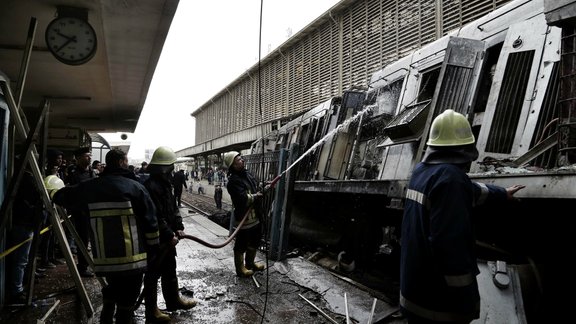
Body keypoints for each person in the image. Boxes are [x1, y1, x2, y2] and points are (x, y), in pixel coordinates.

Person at [399, 109, 525, 324]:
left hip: (413, 292)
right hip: (439, 304)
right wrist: (465, 297)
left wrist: (502, 193)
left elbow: (469, 189)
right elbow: (450, 246)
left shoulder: (422, 172)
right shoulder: (451, 180)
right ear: (464, 150)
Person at [50, 149, 160, 324]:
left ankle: (106, 316)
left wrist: (52, 189)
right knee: (127, 300)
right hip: (133, 259)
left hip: (105, 260)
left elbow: (63, 196)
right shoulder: (136, 188)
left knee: (113, 288)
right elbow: (151, 223)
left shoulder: (91, 186)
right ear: (123, 163)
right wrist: (154, 251)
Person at [143, 146, 196, 323]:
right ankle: (152, 311)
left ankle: (173, 301)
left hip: (167, 237)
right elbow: (156, 215)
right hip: (156, 240)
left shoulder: (165, 184)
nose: (173, 169)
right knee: (153, 274)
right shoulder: (150, 187)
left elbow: (173, 208)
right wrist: (168, 234)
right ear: (164, 167)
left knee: (169, 269)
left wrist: (179, 226)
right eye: (171, 166)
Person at [5, 158, 44, 304]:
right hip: (24, 224)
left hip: (21, 222)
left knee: (19, 258)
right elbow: (31, 203)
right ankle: (17, 290)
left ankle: (19, 284)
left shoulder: (18, 178)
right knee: (21, 259)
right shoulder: (28, 180)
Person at [223, 151, 265, 277]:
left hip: (255, 216)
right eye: (239, 160)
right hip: (244, 218)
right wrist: (255, 196)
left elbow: (254, 186)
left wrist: (262, 186)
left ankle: (250, 263)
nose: (242, 160)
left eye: (241, 158)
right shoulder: (233, 181)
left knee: (255, 241)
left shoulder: (247, 174)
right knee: (241, 244)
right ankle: (240, 269)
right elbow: (241, 199)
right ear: (233, 166)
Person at [64, 146, 97, 277]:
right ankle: (82, 267)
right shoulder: (73, 173)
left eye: (90, 155)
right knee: (82, 240)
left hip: (92, 211)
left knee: (92, 240)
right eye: (86, 156)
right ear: (78, 159)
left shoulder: (92, 172)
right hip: (80, 212)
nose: (89, 158)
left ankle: (91, 264)